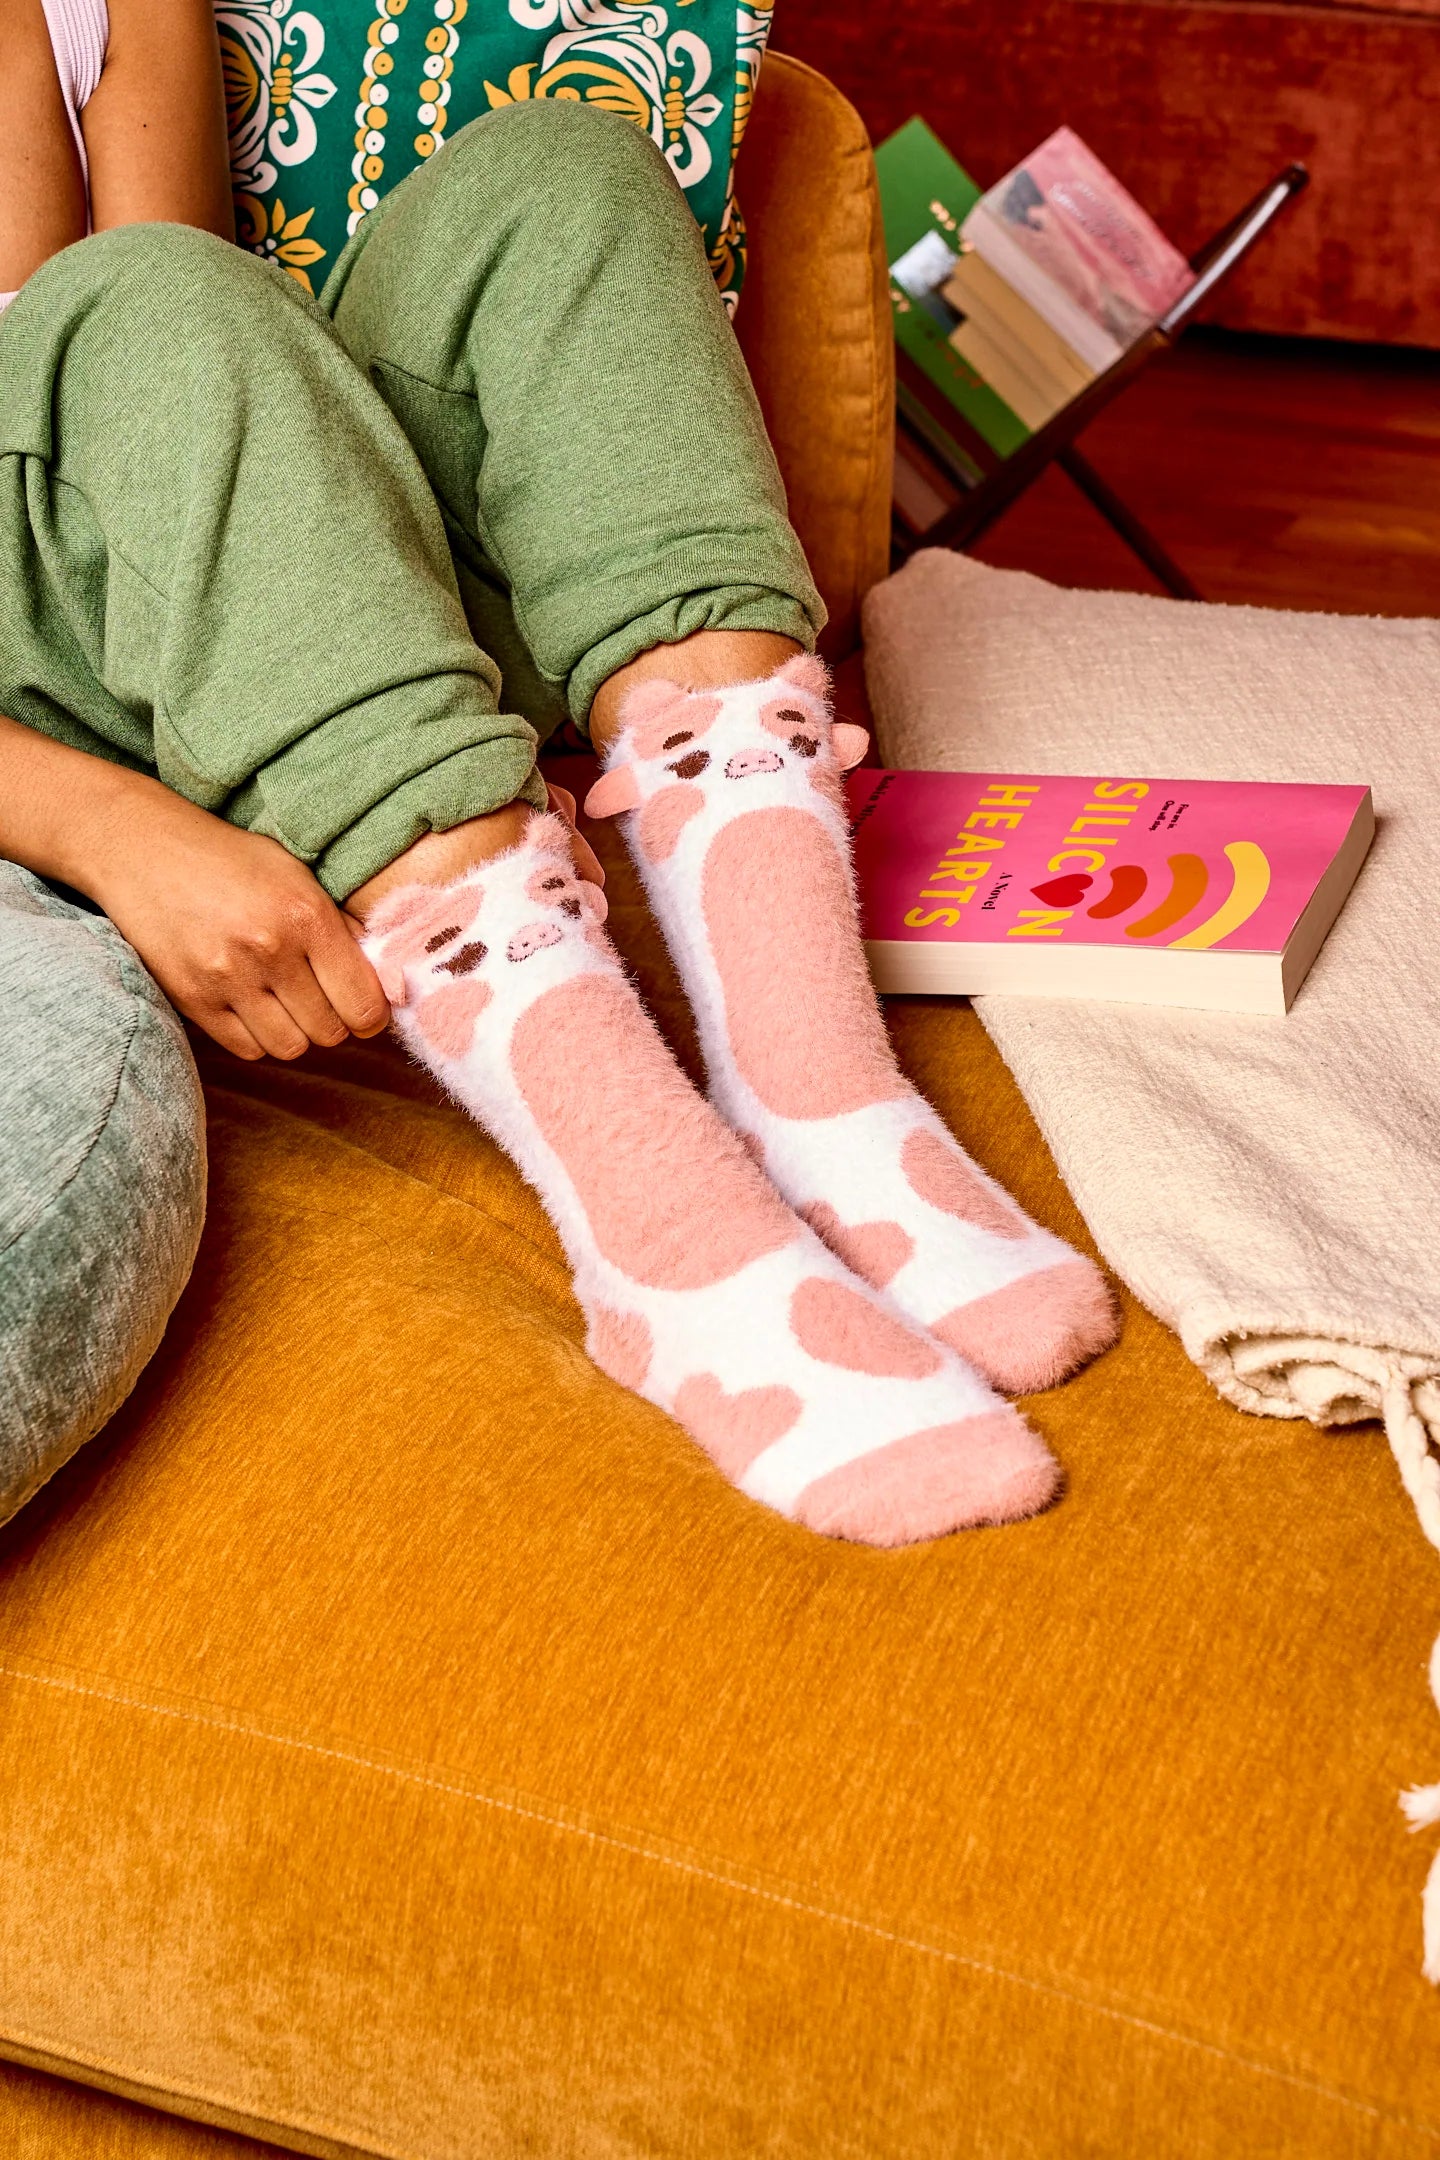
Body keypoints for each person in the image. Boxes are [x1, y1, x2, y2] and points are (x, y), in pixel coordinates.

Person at [0, 0, 1116, 1542]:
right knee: (143, 301)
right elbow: (111, 334)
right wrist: (108, 830)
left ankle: (821, 1094)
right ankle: (666, 1240)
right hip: (35, 683)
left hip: (216, 602)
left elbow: (172, 350)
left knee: (559, 173)